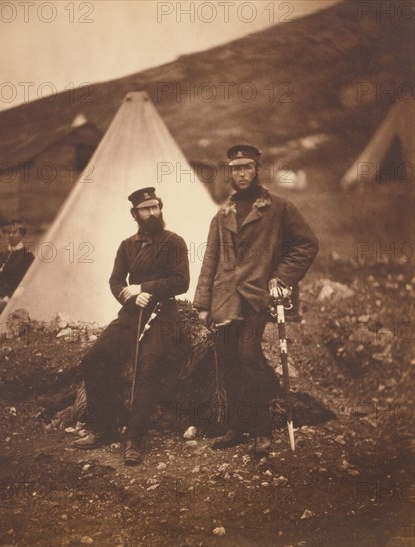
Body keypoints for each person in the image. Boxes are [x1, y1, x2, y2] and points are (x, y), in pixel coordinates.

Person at [193, 145, 319, 456]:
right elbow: (210, 260)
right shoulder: (221, 216)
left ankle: (263, 431)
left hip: (256, 297)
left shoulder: (278, 209)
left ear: (257, 169)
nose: (242, 173)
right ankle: (237, 427)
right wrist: (202, 304)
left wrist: (282, 277)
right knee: (228, 363)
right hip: (224, 299)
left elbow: (306, 245)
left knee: (248, 356)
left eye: (247, 167)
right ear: (230, 173)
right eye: (236, 168)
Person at [73, 187, 190, 465]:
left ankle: (134, 438)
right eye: (145, 209)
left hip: (163, 313)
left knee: (148, 364)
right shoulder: (127, 245)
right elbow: (115, 280)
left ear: (160, 208)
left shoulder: (174, 242)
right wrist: (127, 294)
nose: (151, 213)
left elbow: (181, 281)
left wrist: (147, 288)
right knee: (94, 359)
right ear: (134, 214)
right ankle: (105, 427)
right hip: (131, 313)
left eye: (155, 207)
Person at [0, 220, 34, 335]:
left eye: (13, 232)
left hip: (15, 304)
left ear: (21, 234)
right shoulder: (1, 256)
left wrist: (6, 300)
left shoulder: (27, 257)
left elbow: (26, 282)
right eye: (6, 232)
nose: (9, 235)